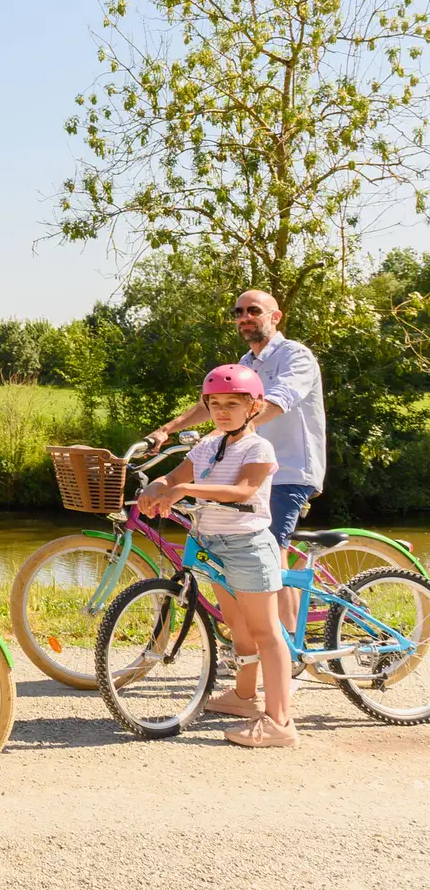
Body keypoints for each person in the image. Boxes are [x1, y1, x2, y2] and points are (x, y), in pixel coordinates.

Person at [144, 288, 326, 628]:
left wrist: (221, 435)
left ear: (275, 317)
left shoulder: (295, 356)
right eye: (238, 312)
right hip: (243, 468)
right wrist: (166, 430)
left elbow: (274, 403)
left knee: (272, 555)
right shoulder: (245, 364)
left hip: (288, 470)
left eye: (253, 311)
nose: (244, 317)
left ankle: (285, 654)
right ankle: (249, 643)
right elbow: (210, 403)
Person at [137, 364, 296, 748]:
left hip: (247, 546)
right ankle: (244, 698)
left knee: (266, 632)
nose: (222, 411)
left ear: (254, 407)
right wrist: (157, 488)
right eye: (214, 404)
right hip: (213, 543)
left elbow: (243, 491)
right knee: (239, 628)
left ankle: (281, 723)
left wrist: (185, 489)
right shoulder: (208, 444)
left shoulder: (258, 447)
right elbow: (173, 478)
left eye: (232, 404)